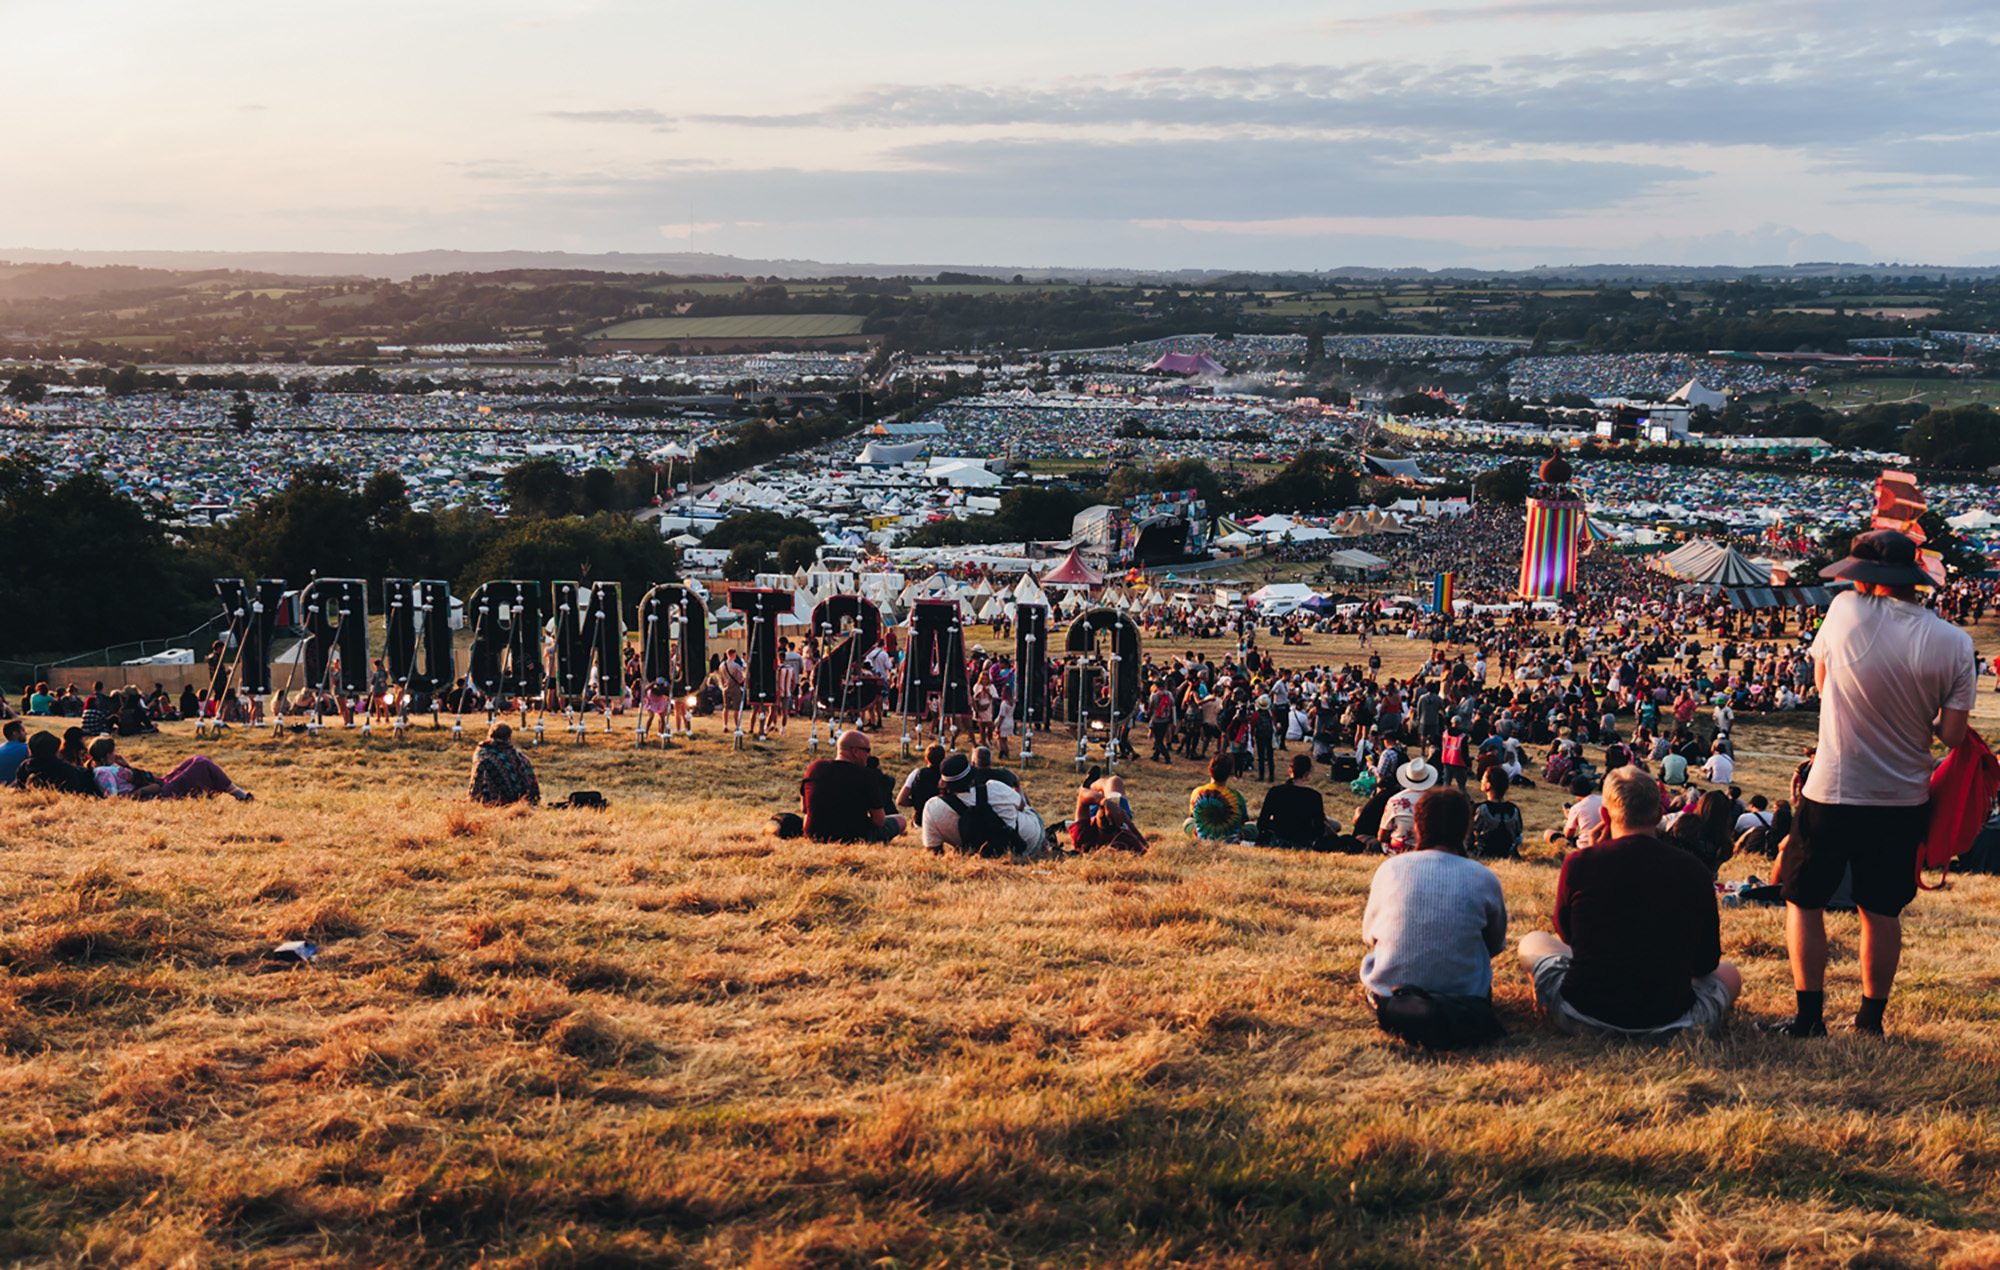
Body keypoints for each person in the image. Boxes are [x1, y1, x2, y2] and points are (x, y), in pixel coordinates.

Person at [1770, 529, 1975, 1038]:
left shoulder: (1844, 611)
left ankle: (1809, 1018)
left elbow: (1823, 685)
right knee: (1880, 909)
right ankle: (1869, 1021)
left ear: (1865, 577)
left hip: (1834, 788)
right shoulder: (1955, 642)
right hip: (1904, 796)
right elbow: (1952, 736)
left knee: (1804, 900)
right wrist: (1916, 713)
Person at [1518, 768, 1742, 1037]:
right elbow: (1706, 962)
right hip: (1672, 1021)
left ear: (1605, 816)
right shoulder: (1695, 871)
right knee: (1730, 973)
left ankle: (1547, 1004)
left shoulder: (1579, 863)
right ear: (1659, 815)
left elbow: (1569, 938)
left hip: (1581, 1013)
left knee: (1532, 941)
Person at [1361, 788, 1508, 1003]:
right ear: (1466, 830)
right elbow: (1495, 944)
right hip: (1465, 999)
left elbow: (1370, 936)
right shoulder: (1484, 878)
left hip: (1391, 997)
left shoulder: (1390, 869)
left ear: (1417, 826)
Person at [921, 752, 1044, 856]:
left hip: (981, 851)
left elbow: (933, 850)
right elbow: (1022, 805)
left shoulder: (932, 808)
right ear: (972, 778)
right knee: (1031, 813)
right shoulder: (995, 787)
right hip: (1024, 844)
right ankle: (1046, 843)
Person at [800, 730, 907, 843]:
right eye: (867, 750)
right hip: (854, 836)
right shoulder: (866, 775)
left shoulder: (814, 768)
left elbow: (804, 809)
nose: (869, 755)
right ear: (855, 751)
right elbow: (879, 821)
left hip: (815, 834)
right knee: (900, 820)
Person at [89, 736, 252, 800]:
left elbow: (129, 780)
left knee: (195, 759)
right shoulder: (102, 773)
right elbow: (113, 800)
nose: (116, 754)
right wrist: (144, 791)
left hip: (157, 784)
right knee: (202, 763)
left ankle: (237, 793)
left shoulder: (109, 768)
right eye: (113, 752)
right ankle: (239, 795)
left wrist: (126, 766)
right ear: (106, 755)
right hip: (157, 793)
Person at [1255, 753, 1341, 850]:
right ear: (1307, 774)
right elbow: (1319, 828)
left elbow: (1262, 822)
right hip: (1304, 844)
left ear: (1290, 770)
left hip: (1279, 841)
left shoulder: (1275, 792)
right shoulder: (1314, 796)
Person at [1664, 788, 1736, 878]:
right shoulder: (1723, 841)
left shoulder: (1685, 822)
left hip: (1667, 870)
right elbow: (1712, 872)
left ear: (1700, 805)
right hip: (1695, 881)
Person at [11, 729, 103, 797]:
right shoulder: (64, 769)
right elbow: (75, 792)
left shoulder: (25, 766)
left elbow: (19, 790)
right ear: (54, 751)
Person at [467, 722, 540, 806]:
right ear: (508, 738)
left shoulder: (480, 752)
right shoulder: (516, 756)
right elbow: (529, 780)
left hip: (479, 800)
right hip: (510, 802)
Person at [1378, 755, 1439, 854]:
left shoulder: (1395, 800)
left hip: (1398, 850)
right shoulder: (1438, 800)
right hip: (1430, 851)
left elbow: (1382, 836)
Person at [1187, 753, 1249, 841]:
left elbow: (1193, 816)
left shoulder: (1197, 792)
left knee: (1187, 823)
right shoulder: (1237, 796)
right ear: (1230, 772)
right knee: (1251, 827)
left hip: (1203, 838)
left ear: (1209, 769)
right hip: (1230, 840)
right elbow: (1242, 821)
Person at [1470, 765, 1524, 860]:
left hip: (1483, 852)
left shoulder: (1479, 809)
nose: (1481, 781)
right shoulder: (1514, 809)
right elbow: (1518, 833)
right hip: (1507, 852)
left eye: (1483, 779)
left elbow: (1469, 835)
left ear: (1489, 785)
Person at [1543, 777, 1603, 850]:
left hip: (1585, 847)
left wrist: (1568, 818)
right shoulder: (1604, 799)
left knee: (1548, 833)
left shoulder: (1576, 808)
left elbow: (1568, 834)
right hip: (1607, 842)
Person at [896, 744, 948, 824]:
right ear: (943, 760)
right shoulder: (947, 777)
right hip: (941, 822)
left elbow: (900, 801)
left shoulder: (916, 774)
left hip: (920, 821)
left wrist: (917, 802)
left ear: (926, 760)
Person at [0, 719, 30, 785]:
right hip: (17, 786)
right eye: (23, 731)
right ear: (15, 734)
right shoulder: (28, 749)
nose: (26, 733)